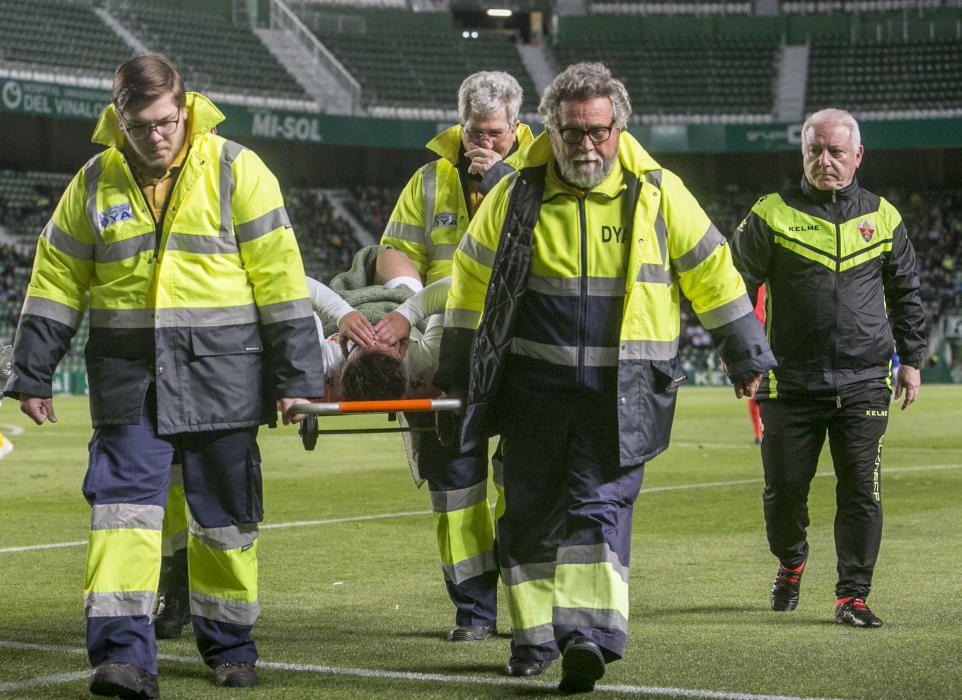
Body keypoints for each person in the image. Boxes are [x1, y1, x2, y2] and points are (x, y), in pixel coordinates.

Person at [435, 62, 775, 694]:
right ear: (550, 130)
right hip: (532, 390)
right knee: (528, 517)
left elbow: (713, 272)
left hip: (621, 392)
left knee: (598, 509)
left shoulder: (658, 191)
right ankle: (533, 638)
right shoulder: (514, 195)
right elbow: (469, 283)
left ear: (619, 126)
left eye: (597, 131)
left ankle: (588, 636)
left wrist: (747, 354)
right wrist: (456, 366)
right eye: (571, 133)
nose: (585, 145)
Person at [2, 54, 325, 697]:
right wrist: (33, 371)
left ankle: (231, 647)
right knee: (121, 517)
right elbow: (56, 281)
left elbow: (283, 284)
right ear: (118, 118)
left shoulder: (238, 170)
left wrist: (300, 380)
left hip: (223, 378)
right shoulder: (93, 182)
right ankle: (123, 658)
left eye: (168, 121)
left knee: (226, 523)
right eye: (141, 124)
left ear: (187, 108)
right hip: (129, 381)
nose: (157, 136)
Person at [730, 108, 926, 628]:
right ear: (803, 154)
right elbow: (732, 289)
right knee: (784, 494)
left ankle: (852, 596)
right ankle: (791, 561)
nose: (825, 161)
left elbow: (906, 292)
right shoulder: (771, 213)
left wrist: (912, 360)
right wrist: (741, 355)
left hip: (865, 382)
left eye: (836, 152)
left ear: (857, 156)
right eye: (815, 151)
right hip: (789, 383)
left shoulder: (883, 217)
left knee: (861, 491)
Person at [379, 71, 534, 643]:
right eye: (474, 132)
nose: (482, 144)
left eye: (494, 133)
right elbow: (396, 249)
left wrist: (500, 182)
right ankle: (473, 610)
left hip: (522, 347)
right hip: (446, 348)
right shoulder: (429, 181)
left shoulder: (539, 176)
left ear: (517, 128)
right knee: (454, 485)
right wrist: (406, 303)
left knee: (525, 482)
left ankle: (528, 610)